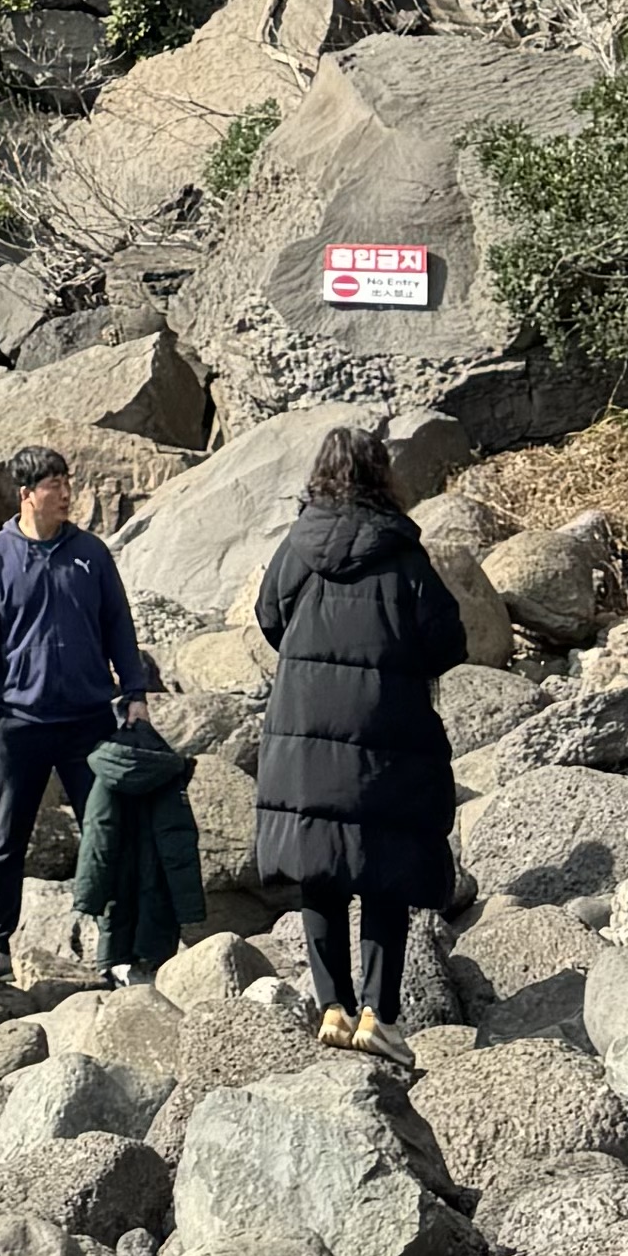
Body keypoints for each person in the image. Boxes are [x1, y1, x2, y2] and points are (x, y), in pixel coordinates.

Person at [251, 421, 465, 1055]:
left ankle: (332, 1010)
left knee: (319, 869)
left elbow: (269, 616)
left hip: (302, 729)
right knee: (382, 869)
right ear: (381, 476)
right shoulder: (402, 553)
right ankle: (379, 1016)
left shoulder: (297, 547)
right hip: (385, 734)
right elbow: (448, 642)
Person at [0, 442, 153, 996]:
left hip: (90, 720)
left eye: (68, 482)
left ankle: (117, 952)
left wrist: (133, 691)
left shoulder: (91, 553)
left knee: (106, 833)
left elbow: (119, 625)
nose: (67, 493)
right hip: (20, 723)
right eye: (54, 485)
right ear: (27, 495)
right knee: (6, 837)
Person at [69, 708, 210, 992]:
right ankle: (148, 968)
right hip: (157, 901)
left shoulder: (106, 772)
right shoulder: (168, 772)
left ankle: (118, 967)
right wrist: (189, 906)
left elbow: (98, 839)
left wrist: (88, 897)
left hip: (116, 900)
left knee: (116, 894)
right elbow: (178, 844)